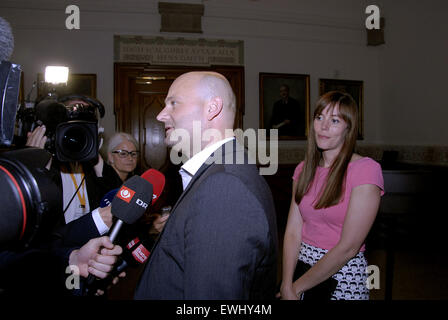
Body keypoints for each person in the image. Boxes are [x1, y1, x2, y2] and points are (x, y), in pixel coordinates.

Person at [134, 71, 278, 300]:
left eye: (173, 103)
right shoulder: (220, 172)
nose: (161, 115)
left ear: (212, 108)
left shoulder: (225, 187)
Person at [278, 90, 384, 300]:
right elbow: (292, 231)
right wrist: (286, 282)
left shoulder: (365, 170)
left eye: (334, 120)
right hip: (301, 266)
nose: (323, 126)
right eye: (319, 117)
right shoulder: (303, 169)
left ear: (349, 128)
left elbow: (348, 247)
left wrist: (296, 288)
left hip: (342, 275)